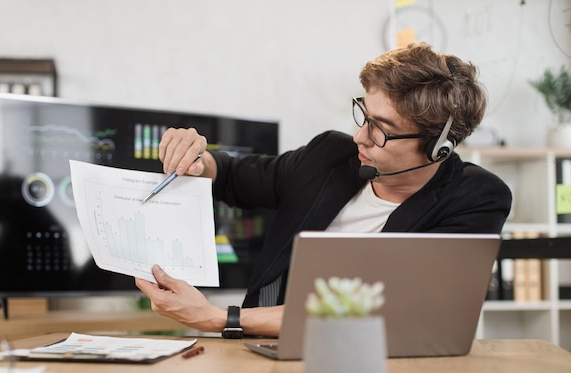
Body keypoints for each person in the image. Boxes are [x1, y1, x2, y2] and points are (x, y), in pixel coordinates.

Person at [135, 42, 512, 338]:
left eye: (380, 128)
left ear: (438, 149)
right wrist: (198, 157)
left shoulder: (476, 198)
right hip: (265, 353)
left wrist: (220, 318)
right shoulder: (331, 154)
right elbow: (234, 176)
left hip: (386, 366)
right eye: (363, 114)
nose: (359, 136)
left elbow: (392, 313)